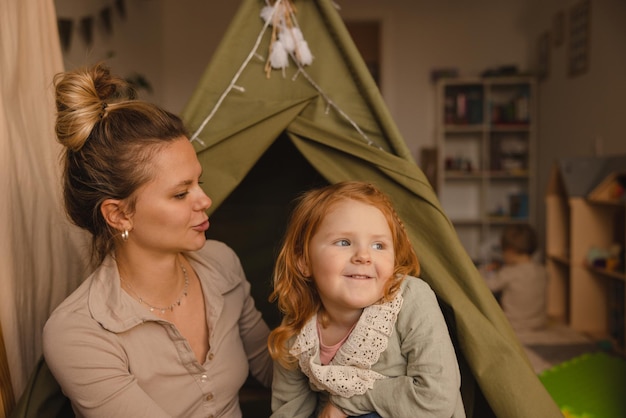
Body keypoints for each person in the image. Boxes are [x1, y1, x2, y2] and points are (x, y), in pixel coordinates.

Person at [42, 63, 272, 417]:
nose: (204, 201)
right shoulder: (78, 332)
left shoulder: (221, 263)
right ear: (119, 214)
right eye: (181, 194)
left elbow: (275, 370)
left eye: (200, 183)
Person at [268, 181, 465, 418]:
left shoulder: (410, 299)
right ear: (304, 261)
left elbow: (437, 398)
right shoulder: (297, 330)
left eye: (378, 245)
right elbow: (288, 410)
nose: (363, 256)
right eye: (343, 242)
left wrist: (345, 404)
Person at [483, 223, 548, 332]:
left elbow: (487, 285)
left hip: (514, 324)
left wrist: (483, 271)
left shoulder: (509, 272)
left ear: (510, 250)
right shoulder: (542, 270)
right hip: (538, 323)